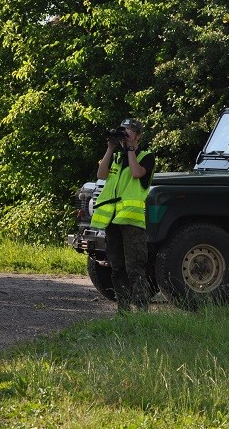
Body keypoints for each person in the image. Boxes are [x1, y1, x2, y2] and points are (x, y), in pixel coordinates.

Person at [90, 118, 155, 313]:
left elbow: (136, 173)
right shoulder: (117, 158)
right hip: (113, 220)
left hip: (132, 221)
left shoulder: (146, 156)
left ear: (138, 136)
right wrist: (111, 148)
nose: (125, 134)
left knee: (135, 267)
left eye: (129, 132)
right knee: (117, 267)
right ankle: (124, 309)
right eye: (123, 131)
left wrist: (130, 150)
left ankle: (142, 309)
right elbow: (101, 174)